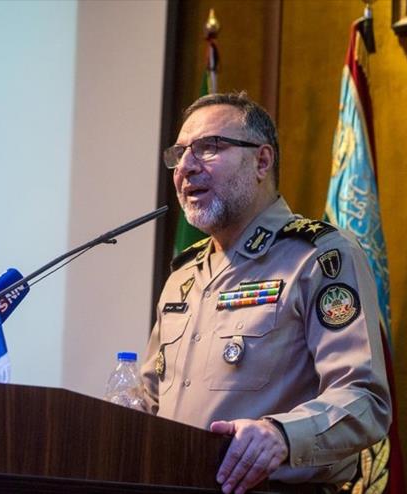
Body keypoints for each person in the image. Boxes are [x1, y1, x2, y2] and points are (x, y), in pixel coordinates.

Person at [140, 92, 391, 494]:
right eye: (180, 153)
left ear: (261, 161)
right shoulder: (183, 276)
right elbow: (149, 399)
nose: (186, 167)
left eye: (208, 148)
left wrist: (282, 436)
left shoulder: (319, 257)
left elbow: (364, 400)